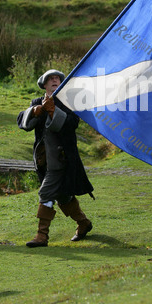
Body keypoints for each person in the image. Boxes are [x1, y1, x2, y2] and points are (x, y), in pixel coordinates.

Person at [17, 69, 94, 248]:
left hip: (63, 161)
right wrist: (35, 112)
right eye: (50, 79)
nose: (54, 80)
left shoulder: (68, 103)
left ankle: (41, 236)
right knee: (64, 197)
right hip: (45, 162)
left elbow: (71, 125)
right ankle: (84, 223)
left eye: (58, 78)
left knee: (45, 193)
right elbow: (23, 122)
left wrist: (53, 112)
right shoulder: (36, 102)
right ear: (44, 84)